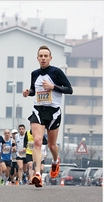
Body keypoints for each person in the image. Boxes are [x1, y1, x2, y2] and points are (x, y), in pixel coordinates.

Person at [22, 45, 73, 187]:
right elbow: (34, 90)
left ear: (50, 58)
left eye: (46, 56)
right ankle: (37, 173)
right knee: (37, 141)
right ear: (37, 58)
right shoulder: (34, 73)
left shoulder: (56, 72)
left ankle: (56, 161)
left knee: (51, 145)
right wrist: (28, 92)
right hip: (38, 110)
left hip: (54, 112)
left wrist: (53, 87)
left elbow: (69, 89)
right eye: (41, 56)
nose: (43, 58)